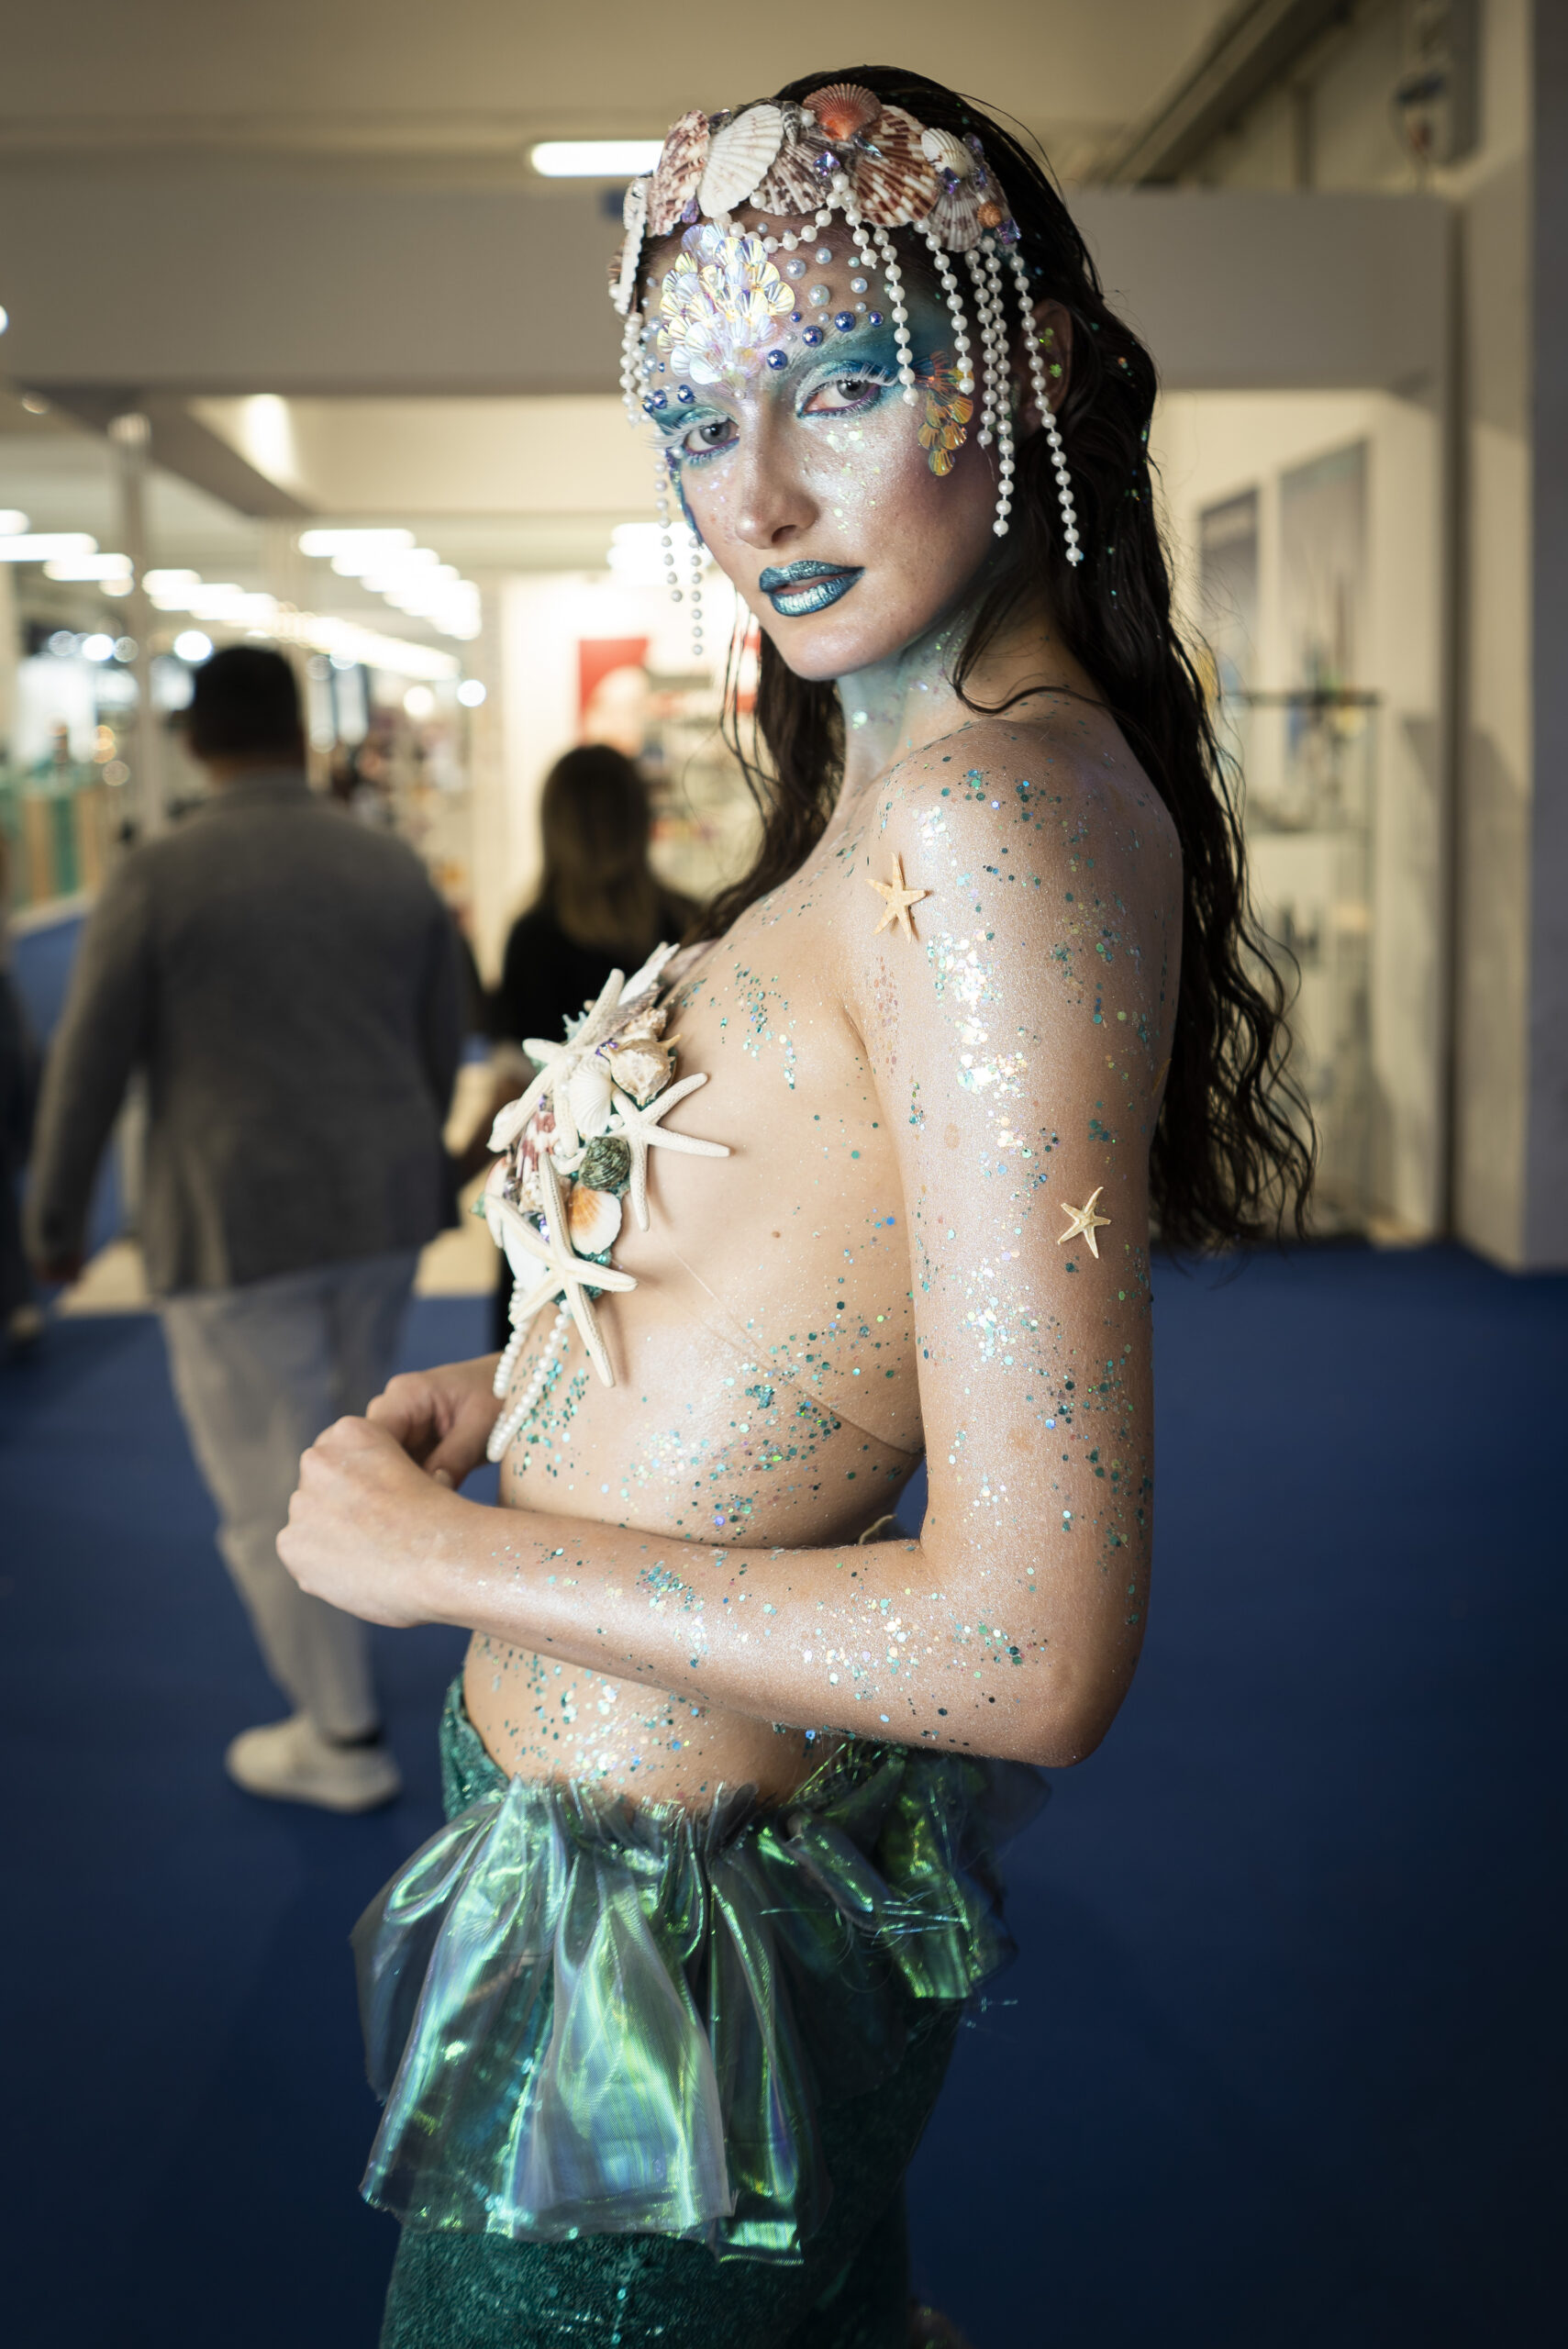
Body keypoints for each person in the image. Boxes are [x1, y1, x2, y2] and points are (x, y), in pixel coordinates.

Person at [279, 67, 1312, 2347]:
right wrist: (535, 1388)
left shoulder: (988, 828)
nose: (753, 492)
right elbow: (834, 1284)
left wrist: (447, 1558)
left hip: (652, 1947)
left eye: (838, 382)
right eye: (692, 418)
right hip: (652, 1878)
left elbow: (1030, 1649)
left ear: (1025, 363)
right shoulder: (913, 787)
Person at [28, 646, 465, 1812]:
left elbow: (88, 1062)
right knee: (352, 1436)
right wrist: (414, 1155)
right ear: (300, 731)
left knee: (266, 1482)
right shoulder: (386, 862)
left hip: (231, 1219)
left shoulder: (159, 872)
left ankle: (340, 1729)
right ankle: (352, 1660)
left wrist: (56, 1218)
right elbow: (442, 1037)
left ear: (193, 738)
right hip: (380, 1206)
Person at [465, 742, 696, 1349]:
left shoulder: (534, 938)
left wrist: (459, 1168)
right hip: (669, 1186)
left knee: (549, 1351)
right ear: (639, 817)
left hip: (554, 1186)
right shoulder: (689, 923)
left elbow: (517, 1085)